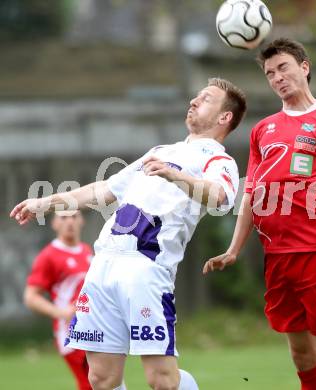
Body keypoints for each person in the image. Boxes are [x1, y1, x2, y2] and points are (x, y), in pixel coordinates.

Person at [11, 77, 247, 390]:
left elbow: (218, 197)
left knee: (162, 380)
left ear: (224, 117)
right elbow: (104, 190)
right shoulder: (161, 151)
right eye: (196, 96)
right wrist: (46, 202)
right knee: (101, 378)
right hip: (104, 266)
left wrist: (175, 175)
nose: (193, 101)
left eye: (205, 99)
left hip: (146, 270)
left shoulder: (219, 160)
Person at [203, 39, 316, 390]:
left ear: (304, 67)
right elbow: (251, 194)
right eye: (270, 73)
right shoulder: (264, 130)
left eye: (283, 68)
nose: (277, 77)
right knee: (301, 355)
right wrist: (234, 249)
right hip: (278, 258)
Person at [24, 210, 93, 390]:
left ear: (81, 220)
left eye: (74, 216)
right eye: (63, 217)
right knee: (91, 382)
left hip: (92, 327)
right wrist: (61, 313)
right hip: (70, 331)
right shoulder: (49, 255)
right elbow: (30, 296)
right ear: (54, 223)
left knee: (99, 380)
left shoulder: (86, 250)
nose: (69, 221)